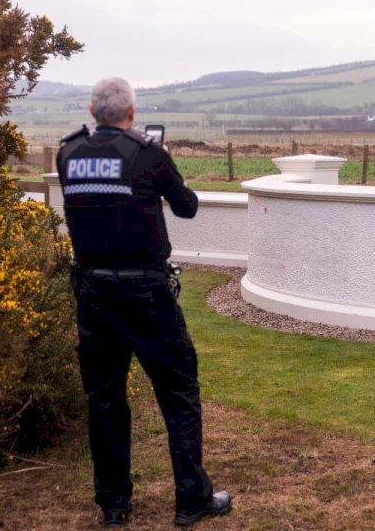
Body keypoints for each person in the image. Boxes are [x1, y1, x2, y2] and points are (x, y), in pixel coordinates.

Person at [57, 77, 231, 527]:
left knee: (105, 399)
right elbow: (187, 206)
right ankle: (192, 499)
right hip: (145, 293)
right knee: (178, 393)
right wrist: (167, 169)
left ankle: (114, 506)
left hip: (93, 293)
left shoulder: (68, 154)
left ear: (93, 113)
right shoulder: (149, 153)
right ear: (131, 113)